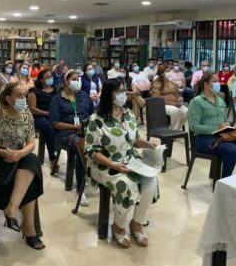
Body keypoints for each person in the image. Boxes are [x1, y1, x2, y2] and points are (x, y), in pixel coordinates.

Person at [84, 79, 158, 248]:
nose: (123, 94)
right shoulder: (96, 120)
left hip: (129, 161)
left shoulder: (128, 114)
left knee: (151, 180)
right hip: (104, 164)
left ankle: (137, 222)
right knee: (126, 184)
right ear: (108, 94)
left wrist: (147, 144)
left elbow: (134, 140)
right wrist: (113, 165)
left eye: (124, 90)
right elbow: (91, 151)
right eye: (119, 91)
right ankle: (118, 226)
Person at [0, 83, 46, 249]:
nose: (23, 99)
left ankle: (11, 208)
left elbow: (31, 143)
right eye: (19, 96)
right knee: (31, 174)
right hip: (1, 161)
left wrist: (19, 153)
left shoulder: (27, 115)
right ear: (8, 98)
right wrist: (6, 153)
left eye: (24, 95)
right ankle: (29, 228)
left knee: (31, 159)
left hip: (20, 158)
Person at [188, 71, 236, 178]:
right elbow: (194, 126)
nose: (218, 84)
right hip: (203, 138)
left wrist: (231, 127)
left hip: (222, 135)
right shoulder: (196, 101)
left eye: (218, 81)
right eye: (214, 81)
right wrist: (215, 128)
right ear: (206, 84)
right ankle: (224, 182)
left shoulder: (220, 101)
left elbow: (225, 121)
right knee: (232, 150)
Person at [50, 69, 95, 206]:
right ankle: (79, 190)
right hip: (66, 133)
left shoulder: (84, 95)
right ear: (66, 81)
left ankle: (97, 175)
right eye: (73, 79)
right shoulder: (57, 99)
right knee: (81, 145)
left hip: (85, 129)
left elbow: (93, 113)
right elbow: (55, 123)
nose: (77, 82)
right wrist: (75, 127)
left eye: (78, 79)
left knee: (101, 141)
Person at [28, 69, 60, 175]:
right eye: (47, 77)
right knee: (48, 126)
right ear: (41, 79)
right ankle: (52, 157)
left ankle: (58, 146)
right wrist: (47, 113)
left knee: (60, 124)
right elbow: (32, 109)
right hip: (38, 117)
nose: (50, 79)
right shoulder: (34, 91)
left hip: (53, 115)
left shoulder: (56, 90)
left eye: (51, 77)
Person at [150, 64, 189, 130]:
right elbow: (157, 99)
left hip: (176, 104)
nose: (170, 73)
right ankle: (173, 131)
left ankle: (175, 130)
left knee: (186, 111)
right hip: (162, 105)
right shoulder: (156, 83)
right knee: (175, 111)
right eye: (168, 72)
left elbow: (176, 93)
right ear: (162, 73)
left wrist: (179, 98)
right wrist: (173, 103)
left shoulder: (171, 82)